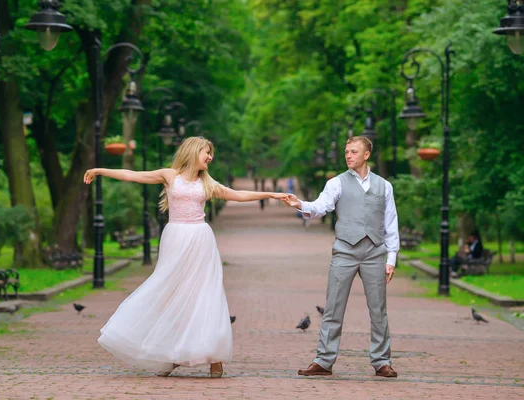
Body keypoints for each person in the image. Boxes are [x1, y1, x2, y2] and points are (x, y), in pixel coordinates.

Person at [83, 136, 285, 378]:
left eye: (211, 153)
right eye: (206, 152)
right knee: (170, 294)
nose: (210, 157)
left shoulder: (207, 183)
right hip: (175, 239)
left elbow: (237, 194)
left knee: (205, 295)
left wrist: (272, 195)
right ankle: (172, 355)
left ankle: (214, 357)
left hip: (200, 240)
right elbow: (133, 174)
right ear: (192, 152)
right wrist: (100, 170)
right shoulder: (169, 176)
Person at [282, 136, 400, 378]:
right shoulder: (336, 183)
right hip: (345, 250)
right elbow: (320, 206)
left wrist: (391, 259)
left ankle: (382, 361)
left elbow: (391, 224)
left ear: (366, 155)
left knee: (378, 310)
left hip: (375, 253)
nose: (348, 155)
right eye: (347, 151)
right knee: (333, 307)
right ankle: (324, 361)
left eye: (354, 152)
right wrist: (299, 204)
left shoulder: (384, 186)